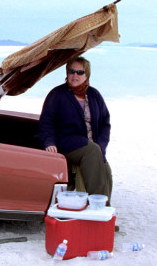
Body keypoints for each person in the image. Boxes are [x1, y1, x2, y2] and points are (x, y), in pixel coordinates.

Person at [38, 56, 112, 204]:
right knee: (91, 151)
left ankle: (100, 208)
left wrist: (101, 147)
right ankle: (101, 210)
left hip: (92, 145)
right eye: (71, 71)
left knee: (106, 171)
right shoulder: (57, 94)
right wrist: (48, 142)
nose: (75, 75)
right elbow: (46, 122)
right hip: (66, 143)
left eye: (80, 72)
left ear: (87, 75)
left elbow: (105, 123)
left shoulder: (94, 95)